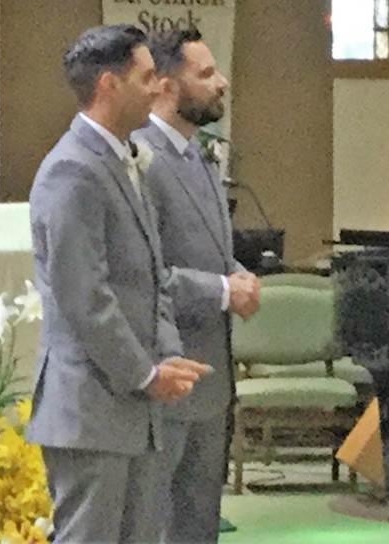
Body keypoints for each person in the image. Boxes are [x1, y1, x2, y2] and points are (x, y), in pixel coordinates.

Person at [26, 24, 212, 544]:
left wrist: (168, 355)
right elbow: (85, 297)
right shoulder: (72, 169)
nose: (158, 88)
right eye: (147, 77)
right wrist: (145, 373)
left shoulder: (122, 160)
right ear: (109, 84)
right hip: (91, 411)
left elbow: (153, 275)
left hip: (133, 409)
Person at [131, 27, 260, 544]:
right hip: (168, 370)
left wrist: (238, 273)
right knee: (158, 525)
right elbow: (144, 272)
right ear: (165, 84)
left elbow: (208, 251)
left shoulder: (199, 155)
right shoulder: (139, 159)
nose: (221, 82)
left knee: (199, 525)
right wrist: (223, 291)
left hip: (212, 377)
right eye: (205, 74)